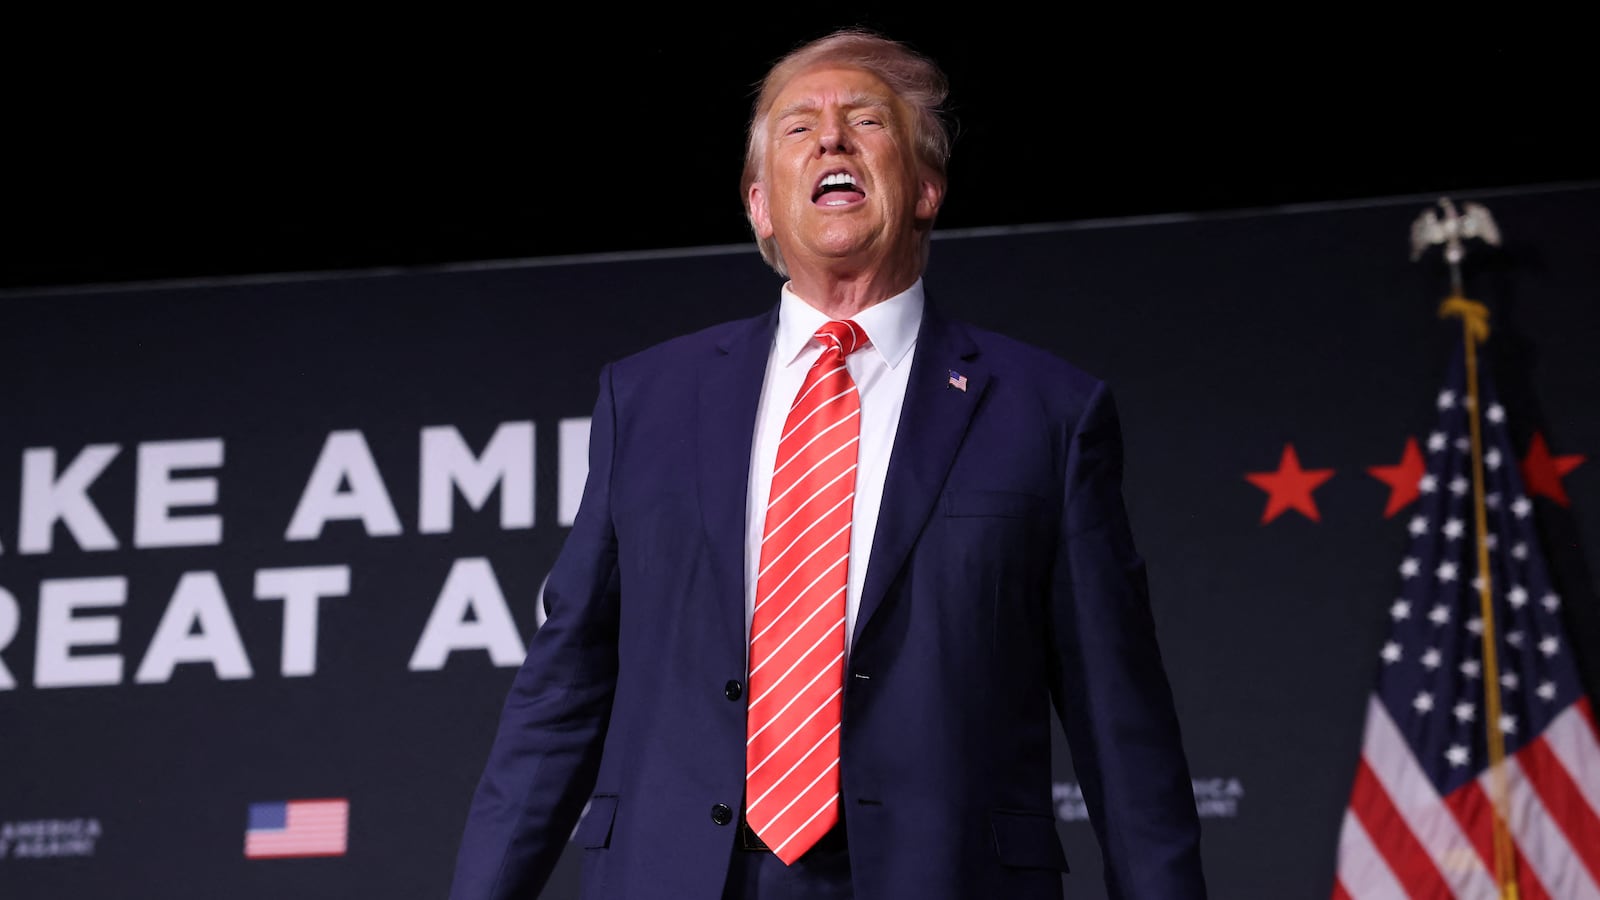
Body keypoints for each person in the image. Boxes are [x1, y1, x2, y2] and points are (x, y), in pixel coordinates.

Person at [450, 29, 1206, 900]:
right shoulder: (648, 399)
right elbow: (565, 686)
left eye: (867, 121)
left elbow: (1119, 718)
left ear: (926, 187)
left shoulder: (1048, 413)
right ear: (761, 206)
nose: (832, 139)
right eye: (798, 128)